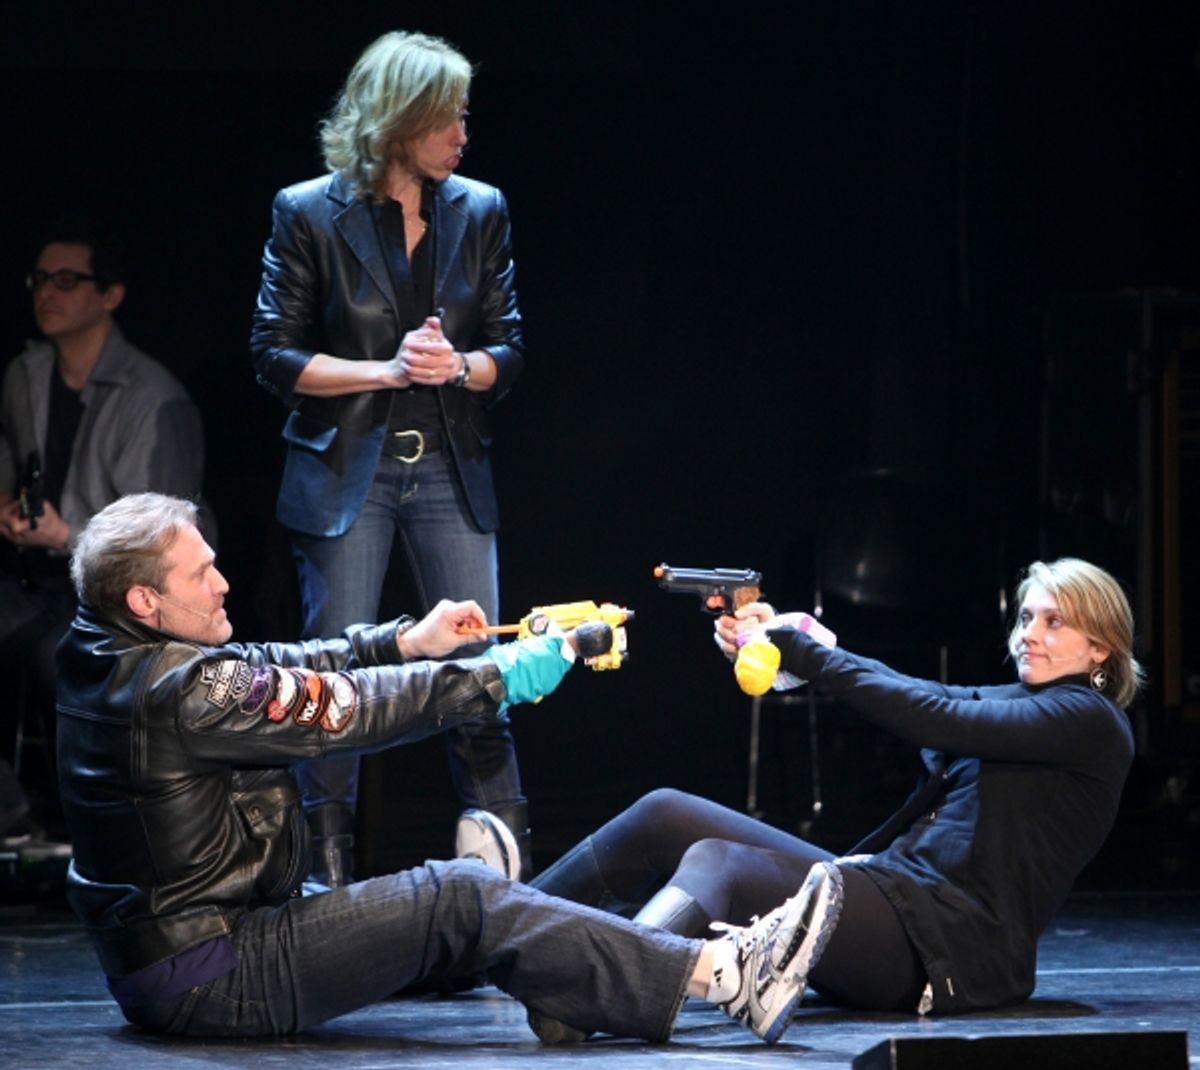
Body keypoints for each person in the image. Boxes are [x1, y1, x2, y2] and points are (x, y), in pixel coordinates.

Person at [54, 492, 829, 1046]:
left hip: (185, 953)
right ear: (144, 600)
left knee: (465, 914)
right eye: (199, 575)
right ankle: (726, 975)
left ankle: (572, 987)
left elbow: (285, 663)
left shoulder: (106, 653)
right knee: (456, 897)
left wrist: (407, 642)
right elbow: (347, 708)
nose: (222, 583)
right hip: (214, 971)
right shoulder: (181, 689)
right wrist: (503, 674)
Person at [530, 557, 1139, 1028]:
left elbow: (939, 718)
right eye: (1027, 618)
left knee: (721, 863)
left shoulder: (1092, 721)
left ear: (1100, 647)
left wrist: (812, 658)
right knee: (666, 813)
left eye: (1054, 622)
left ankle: (604, 990)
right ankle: (501, 927)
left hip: (943, 946)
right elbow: (926, 695)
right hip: (890, 895)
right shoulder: (1028, 702)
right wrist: (803, 646)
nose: (1030, 633)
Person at [251, 30, 529, 889]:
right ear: (400, 120)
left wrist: (460, 367)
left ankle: (507, 882)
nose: (462, 136)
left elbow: (510, 348)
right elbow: (274, 355)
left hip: (448, 469)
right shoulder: (308, 210)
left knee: (481, 672)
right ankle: (324, 888)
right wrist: (390, 370)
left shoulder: (479, 208)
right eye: (448, 118)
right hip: (348, 476)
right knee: (337, 680)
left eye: (465, 117)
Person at [0, 217, 205, 837]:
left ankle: (96, 831)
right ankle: (12, 817)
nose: (47, 292)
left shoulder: (152, 397)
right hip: (29, 577)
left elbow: (159, 540)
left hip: (112, 597)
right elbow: (9, 460)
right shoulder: (25, 375)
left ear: (109, 295)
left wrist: (65, 536)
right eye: (40, 279)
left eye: (66, 280)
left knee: (62, 659)